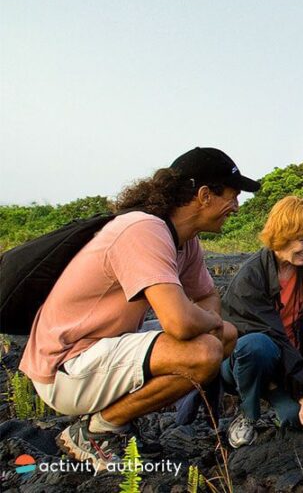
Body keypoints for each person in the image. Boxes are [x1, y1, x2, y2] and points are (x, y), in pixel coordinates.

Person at [19, 147, 257, 472]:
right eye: (232, 196)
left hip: (101, 350)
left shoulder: (185, 241)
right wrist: (205, 322)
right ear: (204, 195)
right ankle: (96, 430)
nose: (236, 207)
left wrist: (208, 321)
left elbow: (206, 298)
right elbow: (180, 322)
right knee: (202, 352)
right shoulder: (143, 230)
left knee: (225, 336)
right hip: (64, 366)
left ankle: (111, 422)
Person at [218, 196, 303, 447]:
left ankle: (277, 396)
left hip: (287, 363)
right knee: (256, 346)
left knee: (300, 421)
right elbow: (274, 336)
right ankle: (247, 414)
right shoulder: (250, 278)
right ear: (282, 236)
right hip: (244, 363)